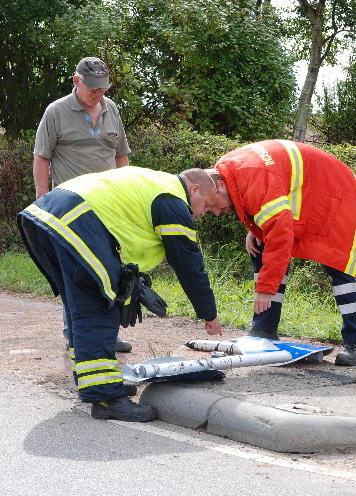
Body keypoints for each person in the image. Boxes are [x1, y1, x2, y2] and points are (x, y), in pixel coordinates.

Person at [17, 166, 223, 422]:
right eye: (206, 204)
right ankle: (107, 399)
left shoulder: (158, 184)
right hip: (74, 221)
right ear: (194, 189)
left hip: (48, 217)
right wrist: (208, 313)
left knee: (80, 307)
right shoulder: (173, 201)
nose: (202, 213)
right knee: (98, 310)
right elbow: (188, 263)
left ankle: (94, 383)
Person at [202, 140, 356, 366]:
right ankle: (264, 330)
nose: (216, 212)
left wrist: (266, 289)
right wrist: (254, 227)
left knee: (338, 268)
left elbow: (280, 236)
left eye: (213, 204)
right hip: (311, 198)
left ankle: (354, 344)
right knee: (261, 248)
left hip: (341, 198)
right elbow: (257, 198)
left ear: (219, 187)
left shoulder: (252, 175)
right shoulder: (227, 169)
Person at [32, 56, 133, 353]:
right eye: (92, 88)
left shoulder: (112, 109)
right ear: (76, 81)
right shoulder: (56, 112)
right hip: (70, 209)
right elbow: (41, 157)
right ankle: (75, 334)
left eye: (102, 88)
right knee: (75, 273)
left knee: (109, 270)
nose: (97, 94)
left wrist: (126, 193)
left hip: (108, 207)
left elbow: (121, 155)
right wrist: (42, 199)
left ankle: (106, 335)